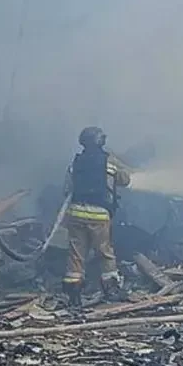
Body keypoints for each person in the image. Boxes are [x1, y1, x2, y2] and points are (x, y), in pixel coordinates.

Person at [61, 126, 132, 308]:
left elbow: (67, 189)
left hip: (75, 214)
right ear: (100, 141)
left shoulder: (76, 162)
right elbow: (125, 180)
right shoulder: (109, 161)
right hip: (99, 215)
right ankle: (111, 290)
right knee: (104, 252)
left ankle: (74, 295)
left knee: (76, 255)